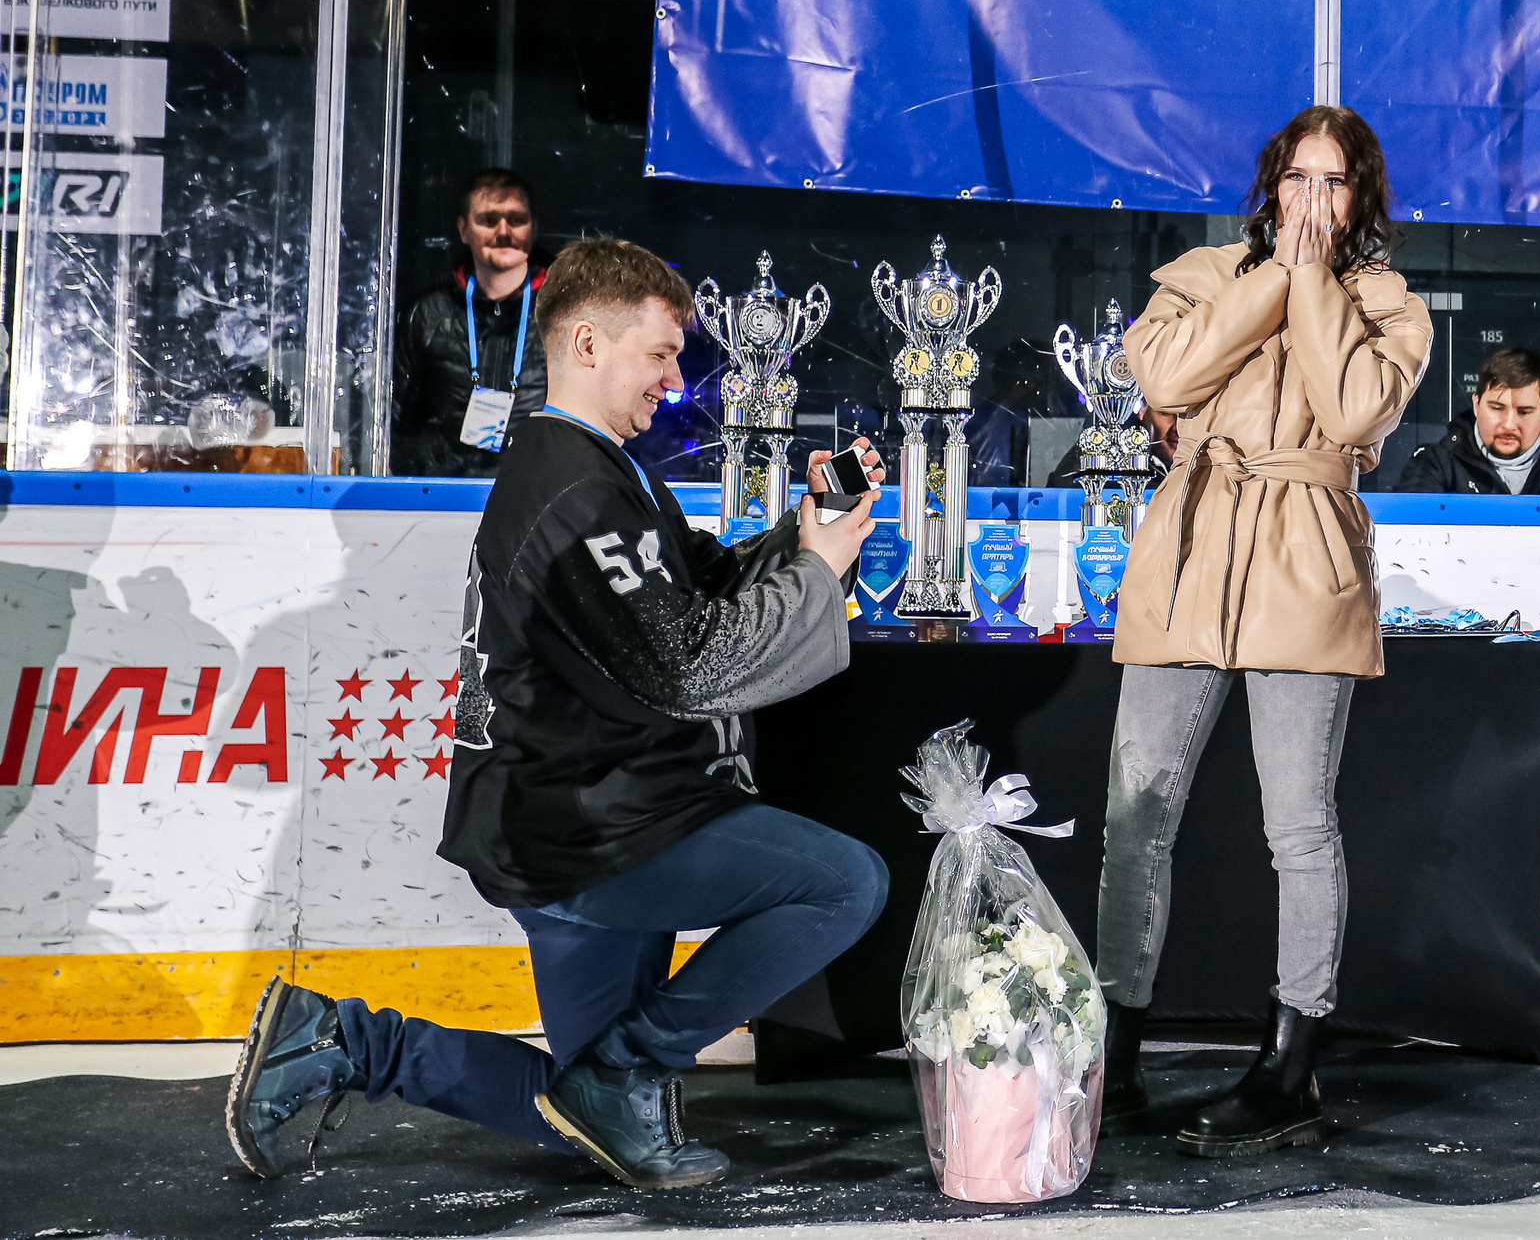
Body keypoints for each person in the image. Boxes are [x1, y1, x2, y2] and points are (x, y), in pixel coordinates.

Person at [226, 236, 890, 1190]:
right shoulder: (577, 491)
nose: (675, 375)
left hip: (572, 818)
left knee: (596, 1113)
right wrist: (818, 572)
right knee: (845, 884)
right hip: (589, 833)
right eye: (659, 353)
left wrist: (805, 534)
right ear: (586, 343)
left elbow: (692, 588)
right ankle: (626, 1067)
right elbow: (693, 665)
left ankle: (337, 1040)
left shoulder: (594, 466)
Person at [1097, 104, 1432, 1158]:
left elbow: (1349, 412)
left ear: (1359, 200)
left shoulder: (1392, 310)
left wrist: (1311, 284)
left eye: (1334, 184)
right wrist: (1273, 282)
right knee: (1134, 820)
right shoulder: (1201, 275)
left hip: (1306, 554)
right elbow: (1161, 379)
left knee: (1298, 827)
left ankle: (1289, 1068)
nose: (1311, 201)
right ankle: (1111, 1058)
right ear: (1271, 185)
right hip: (1188, 545)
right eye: (1298, 179)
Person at [392, 169, 552, 477]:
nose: (503, 232)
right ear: (464, 230)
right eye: (489, 221)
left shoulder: (562, 313)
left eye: (516, 220)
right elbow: (392, 418)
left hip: (533, 493)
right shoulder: (427, 313)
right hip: (442, 496)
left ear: (533, 228)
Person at [1392, 346, 1540, 495]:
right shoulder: (1437, 464)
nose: (1508, 424)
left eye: (1524, 412)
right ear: (1476, 404)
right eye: (1496, 408)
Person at [1043, 405, 1180, 489]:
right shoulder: (1107, 447)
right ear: (1142, 408)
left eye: (1189, 415)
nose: (1178, 427)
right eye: (1167, 414)